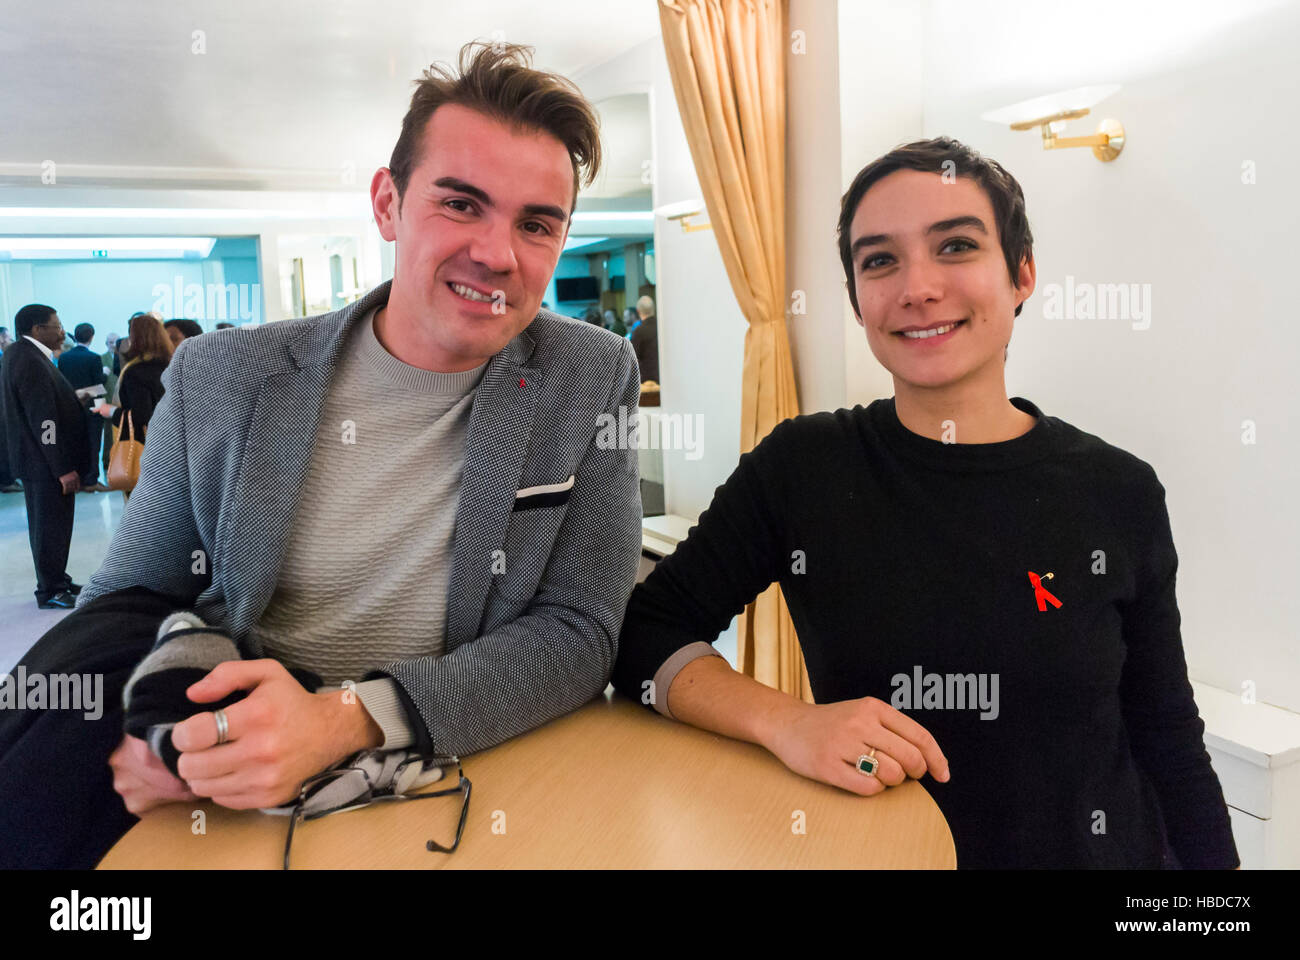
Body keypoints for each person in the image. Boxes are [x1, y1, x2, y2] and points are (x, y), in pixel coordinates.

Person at [0, 40, 641, 869]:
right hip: (234, 772)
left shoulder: (589, 374)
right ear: (388, 204)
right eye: (460, 204)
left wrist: (347, 715)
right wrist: (182, 725)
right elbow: (130, 594)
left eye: (536, 223)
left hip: (455, 764)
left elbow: (583, 630)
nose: (497, 253)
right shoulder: (223, 375)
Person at [611, 137, 1238, 870]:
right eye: (879, 260)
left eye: (957, 246)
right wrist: (790, 722)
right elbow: (643, 638)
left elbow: (1165, 731)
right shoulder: (805, 468)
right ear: (857, 300)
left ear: (1022, 274)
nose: (917, 287)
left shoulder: (1118, 489)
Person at [0, 304, 91, 609]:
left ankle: (57, 579)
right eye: (57, 325)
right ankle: (50, 589)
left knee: (52, 524)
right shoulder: (29, 359)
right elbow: (44, 421)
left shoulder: (25, 355)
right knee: (49, 525)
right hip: (44, 463)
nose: (62, 331)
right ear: (38, 329)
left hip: (38, 461)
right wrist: (62, 468)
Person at [96, 313, 172, 500]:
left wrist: (111, 411)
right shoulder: (171, 365)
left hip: (143, 447)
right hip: (171, 446)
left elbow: (141, 415)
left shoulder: (135, 371)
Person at [57, 322, 110, 492]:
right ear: (92, 336)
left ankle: (78, 479)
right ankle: (91, 480)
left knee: (76, 442)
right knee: (94, 444)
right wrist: (106, 374)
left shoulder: (64, 358)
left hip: (71, 406)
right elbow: (99, 384)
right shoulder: (94, 357)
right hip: (93, 405)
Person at [629, 294, 658, 384]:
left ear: (638, 311)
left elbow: (632, 358)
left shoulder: (638, 331)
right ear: (654, 309)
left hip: (646, 380)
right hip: (664, 376)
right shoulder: (662, 328)